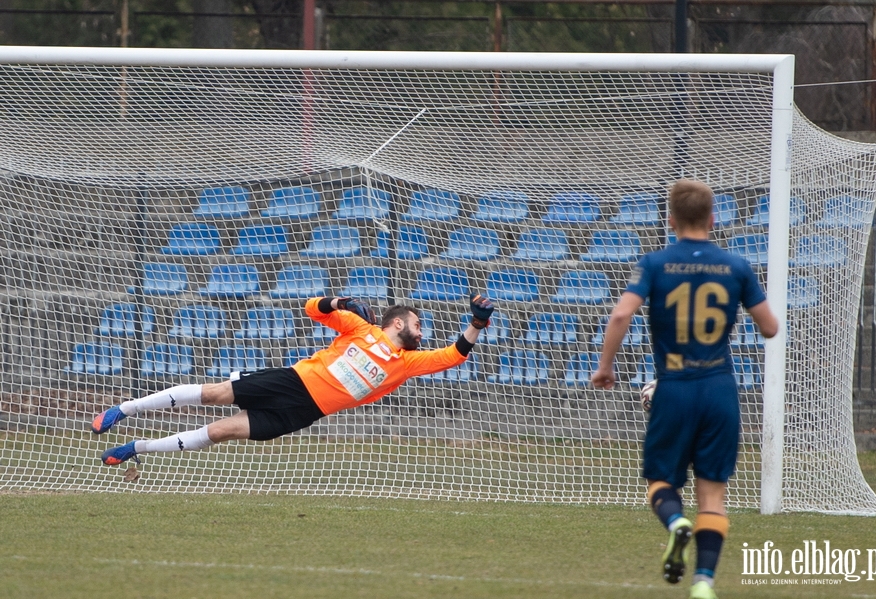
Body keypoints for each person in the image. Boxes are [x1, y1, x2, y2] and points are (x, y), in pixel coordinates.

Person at [591, 180, 778, 599]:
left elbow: (621, 314)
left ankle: (676, 524)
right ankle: (703, 585)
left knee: (660, 481)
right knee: (712, 494)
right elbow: (770, 327)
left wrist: (605, 367)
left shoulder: (656, 263)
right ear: (714, 219)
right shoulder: (736, 265)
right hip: (718, 388)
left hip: (673, 387)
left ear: (671, 220)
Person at [94, 294, 495, 465]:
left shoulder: (407, 363)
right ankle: (123, 409)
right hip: (293, 381)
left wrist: (477, 323)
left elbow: (453, 356)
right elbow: (311, 309)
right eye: (417, 325)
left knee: (219, 431)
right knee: (215, 393)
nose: (422, 333)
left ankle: (135, 448)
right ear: (396, 322)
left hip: (305, 411)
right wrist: (338, 302)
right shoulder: (362, 329)